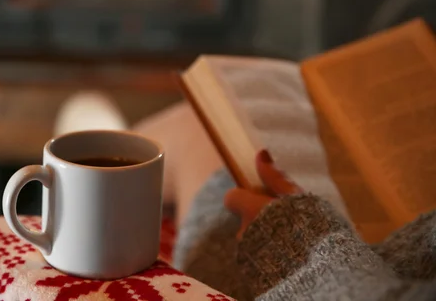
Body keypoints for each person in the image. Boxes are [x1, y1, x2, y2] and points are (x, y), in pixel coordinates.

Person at [55, 92, 436, 300]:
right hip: (385, 253)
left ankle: (104, 163)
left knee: (197, 128)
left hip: (296, 276)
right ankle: (109, 161)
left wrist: (294, 236)